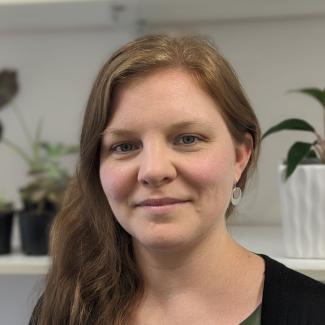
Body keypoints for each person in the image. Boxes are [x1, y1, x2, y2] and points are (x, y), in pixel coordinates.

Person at [29, 34, 325, 325]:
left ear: (240, 156)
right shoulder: (64, 309)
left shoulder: (313, 311)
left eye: (187, 139)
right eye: (125, 146)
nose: (154, 170)